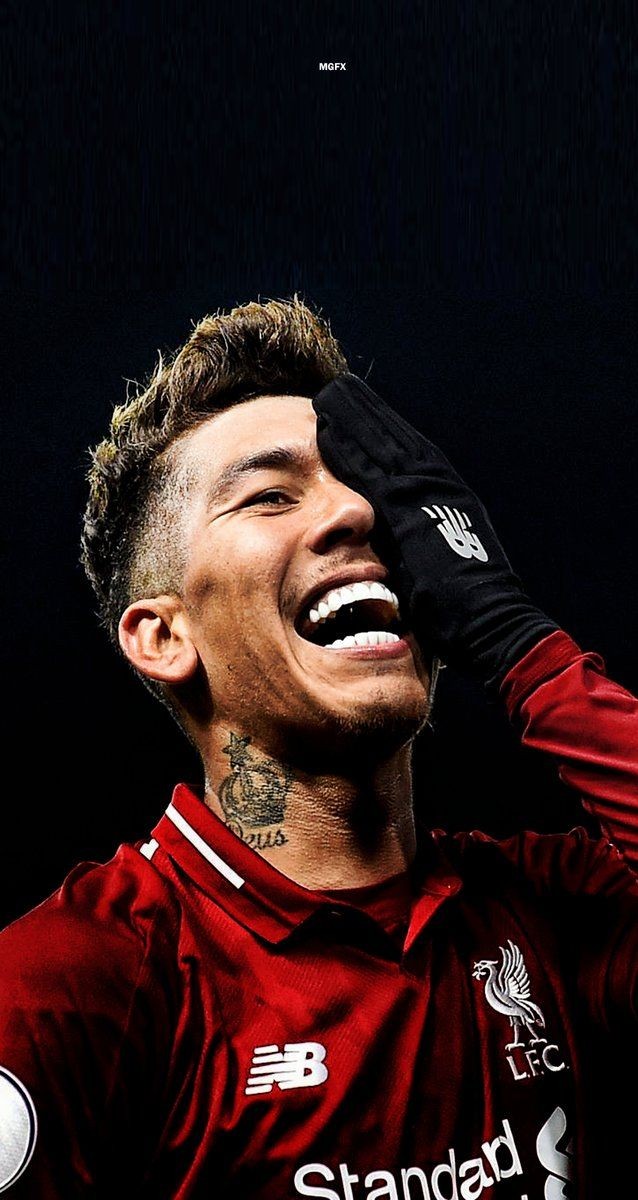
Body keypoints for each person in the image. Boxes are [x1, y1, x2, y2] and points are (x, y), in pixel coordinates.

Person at [0, 298, 636, 1199]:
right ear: (164, 636)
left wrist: (517, 640)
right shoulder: (76, 981)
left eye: (367, 485)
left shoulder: (552, 913)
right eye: (270, 495)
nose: (359, 512)